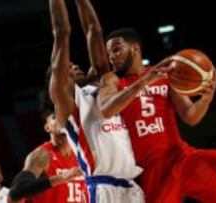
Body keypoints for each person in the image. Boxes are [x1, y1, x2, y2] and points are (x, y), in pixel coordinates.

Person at [97, 28, 216, 203]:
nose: (112, 56)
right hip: (150, 172)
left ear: (135, 48)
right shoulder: (112, 80)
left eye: (117, 49)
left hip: (182, 157)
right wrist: (146, 80)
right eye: (109, 53)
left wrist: (205, 99)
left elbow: (190, 116)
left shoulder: (166, 76)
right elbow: (106, 109)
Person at [47, 0, 144, 202]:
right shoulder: (67, 103)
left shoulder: (103, 84)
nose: (75, 67)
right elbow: (62, 31)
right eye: (70, 68)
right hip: (104, 189)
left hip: (133, 186)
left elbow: (93, 29)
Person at [7, 108, 87, 203]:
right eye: (54, 117)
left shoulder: (81, 155)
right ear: (47, 127)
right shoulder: (42, 154)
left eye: (64, 116)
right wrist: (62, 177)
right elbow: (16, 192)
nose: (60, 118)